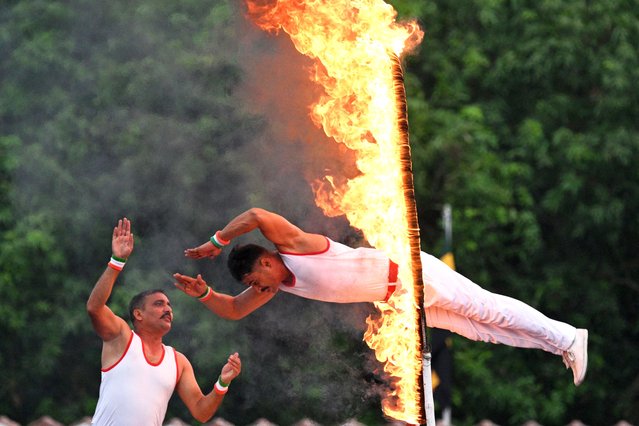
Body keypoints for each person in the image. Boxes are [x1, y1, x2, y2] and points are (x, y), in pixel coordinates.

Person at [173, 207, 588, 386]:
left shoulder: (295, 247)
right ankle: (559, 345)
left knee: (487, 308)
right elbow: (234, 309)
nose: (258, 291)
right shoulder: (278, 284)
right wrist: (205, 293)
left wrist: (218, 239)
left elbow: (258, 216)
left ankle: (569, 336)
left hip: (408, 272)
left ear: (265, 262)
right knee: (482, 332)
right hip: (401, 301)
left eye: (256, 281)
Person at [87, 218, 241, 425]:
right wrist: (117, 261)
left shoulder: (178, 361)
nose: (168, 309)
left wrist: (223, 383)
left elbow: (201, 412)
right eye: (159, 304)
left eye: (169, 305)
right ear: (138, 314)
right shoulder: (122, 337)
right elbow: (94, 307)